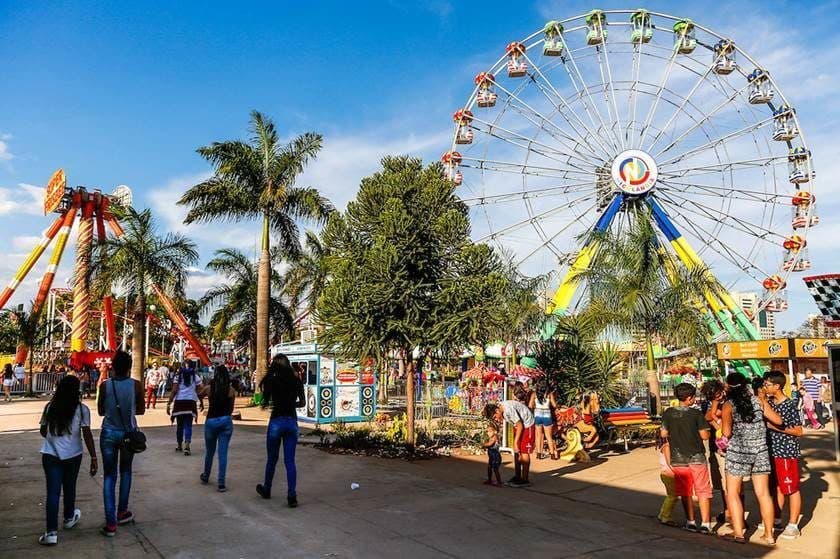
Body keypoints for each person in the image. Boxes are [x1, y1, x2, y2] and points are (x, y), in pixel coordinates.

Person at [720, 372, 782, 546]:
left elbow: (726, 433)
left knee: (732, 492)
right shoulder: (758, 401)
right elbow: (778, 419)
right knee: (763, 494)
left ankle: (739, 533)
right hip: (760, 451)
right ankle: (769, 535)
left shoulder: (728, 405)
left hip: (738, 452)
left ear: (729, 387)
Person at [38, 375, 98, 545]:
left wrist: (54, 436)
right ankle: (69, 517)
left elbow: (43, 430)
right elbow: (87, 434)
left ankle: (51, 533)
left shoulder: (50, 407)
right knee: (70, 486)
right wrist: (93, 457)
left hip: (50, 454)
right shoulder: (82, 409)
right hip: (74, 455)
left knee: (53, 492)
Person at [97, 350, 145, 537]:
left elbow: (101, 411)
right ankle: (122, 511)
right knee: (126, 471)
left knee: (109, 476)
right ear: (129, 367)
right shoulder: (136, 386)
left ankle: (111, 524)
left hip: (108, 432)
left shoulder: (105, 386)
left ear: (113, 367)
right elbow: (140, 410)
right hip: (128, 433)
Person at [660, 383, 713, 533]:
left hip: (678, 458)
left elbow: (663, 434)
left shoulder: (668, 413)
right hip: (696, 456)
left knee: (685, 491)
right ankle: (706, 523)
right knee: (703, 490)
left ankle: (690, 521)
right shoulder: (696, 414)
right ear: (689, 398)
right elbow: (704, 436)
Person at [256, 354, 305, 507]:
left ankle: (267, 489)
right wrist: (290, 405)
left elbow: (265, 400)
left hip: (276, 421)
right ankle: (292, 495)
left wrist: (279, 404)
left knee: (272, 458)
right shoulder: (296, 380)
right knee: (290, 461)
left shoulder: (272, 380)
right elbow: (302, 402)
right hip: (291, 421)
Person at [763, 370, 803, 540]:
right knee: (778, 487)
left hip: (786, 452)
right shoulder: (771, 403)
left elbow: (799, 431)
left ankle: (793, 525)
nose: (765, 387)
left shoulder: (789, 404)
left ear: (777, 386)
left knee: (791, 488)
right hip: (772, 451)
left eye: (768, 384)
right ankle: (777, 519)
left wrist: (775, 427)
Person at [197, 365, 236, 492]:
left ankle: (206, 475)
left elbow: (199, 394)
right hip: (225, 421)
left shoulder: (209, 388)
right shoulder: (231, 390)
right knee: (222, 453)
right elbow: (231, 409)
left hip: (211, 421)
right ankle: (221, 483)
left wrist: (202, 403)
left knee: (210, 452)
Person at [483, 399, 535, 487]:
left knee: (524, 451)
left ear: (497, 410)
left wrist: (515, 442)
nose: (496, 419)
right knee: (516, 451)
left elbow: (520, 425)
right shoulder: (501, 409)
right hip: (518, 426)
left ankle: (525, 479)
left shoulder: (508, 410)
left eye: (495, 417)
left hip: (527, 424)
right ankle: (517, 476)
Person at [701, 379, 728, 523]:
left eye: (718, 394)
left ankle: (733, 513)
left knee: (729, 483)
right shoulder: (709, 403)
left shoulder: (728, 401)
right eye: (713, 395)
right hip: (717, 446)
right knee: (721, 484)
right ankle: (728, 510)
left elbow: (712, 416)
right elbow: (707, 417)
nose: (718, 397)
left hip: (730, 444)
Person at [167, 363, 203, 455]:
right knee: (188, 425)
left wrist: (169, 403)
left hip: (179, 402)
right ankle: (187, 445)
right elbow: (200, 390)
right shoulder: (195, 377)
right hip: (191, 402)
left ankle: (179, 445)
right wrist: (201, 401)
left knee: (179, 425)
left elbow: (174, 390)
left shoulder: (177, 377)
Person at [529, 381, 558, 460]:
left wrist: (535, 406)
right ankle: (552, 454)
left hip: (537, 415)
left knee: (538, 436)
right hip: (547, 415)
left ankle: (539, 454)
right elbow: (554, 405)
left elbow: (530, 405)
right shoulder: (549, 394)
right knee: (548, 436)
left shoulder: (534, 394)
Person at [656, 433, 678, 527]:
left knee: (671, 495)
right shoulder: (667, 446)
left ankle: (662, 514)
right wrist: (676, 471)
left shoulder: (663, 446)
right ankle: (666, 516)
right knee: (673, 496)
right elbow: (669, 462)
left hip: (665, 473)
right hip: (669, 474)